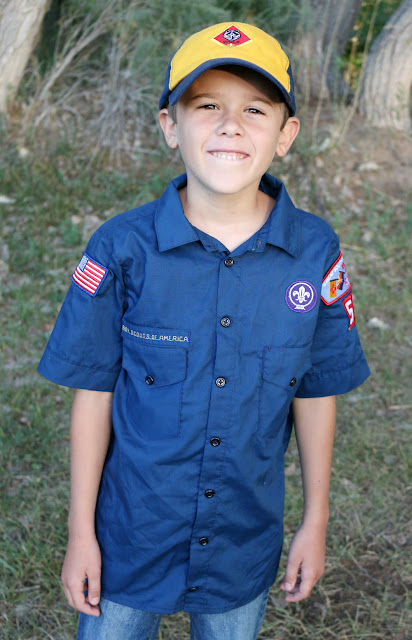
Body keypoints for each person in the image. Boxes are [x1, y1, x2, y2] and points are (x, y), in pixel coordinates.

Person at [38, 21, 370, 640]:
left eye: (255, 110)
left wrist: (315, 521)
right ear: (171, 126)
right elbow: (94, 392)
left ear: (286, 135)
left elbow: (316, 388)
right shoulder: (121, 248)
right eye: (207, 106)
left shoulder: (314, 251)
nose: (231, 126)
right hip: (131, 536)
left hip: (242, 544)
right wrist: (81, 532)